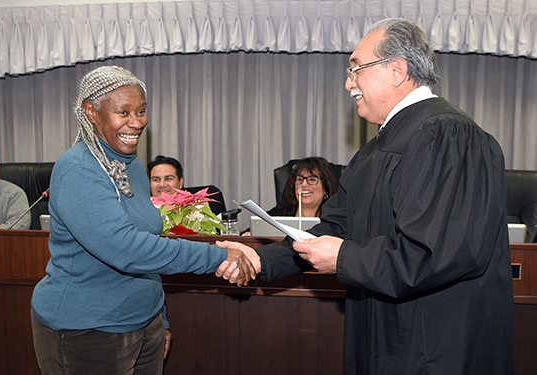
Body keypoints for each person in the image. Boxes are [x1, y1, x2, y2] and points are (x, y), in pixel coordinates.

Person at [217, 18, 515, 374]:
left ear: (397, 69)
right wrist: (261, 259)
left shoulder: (449, 136)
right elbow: (333, 229)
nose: (348, 83)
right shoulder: (373, 152)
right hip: (382, 335)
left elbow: (433, 256)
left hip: (434, 345)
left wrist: (344, 257)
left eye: (356, 68)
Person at [30, 65, 254, 375]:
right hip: (87, 330)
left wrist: (158, 317)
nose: (136, 123)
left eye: (142, 111)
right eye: (123, 112)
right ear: (91, 112)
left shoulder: (133, 164)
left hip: (142, 322)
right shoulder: (77, 169)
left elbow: (150, 243)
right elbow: (127, 250)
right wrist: (217, 256)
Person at [268, 157, 339, 218]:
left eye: (312, 179)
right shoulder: (280, 213)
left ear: (326, 188)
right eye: (300, 179)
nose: (304, 184)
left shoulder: (334, 219)